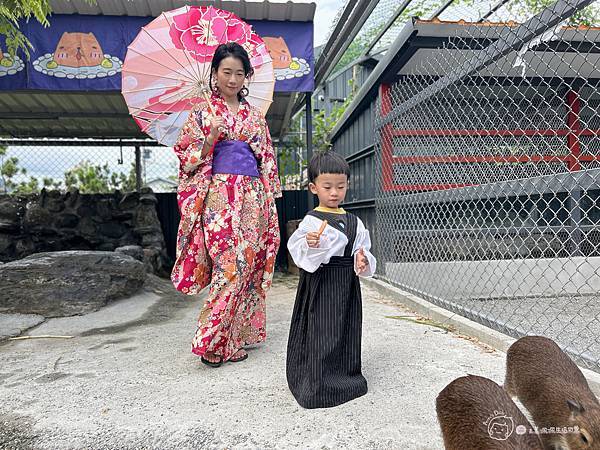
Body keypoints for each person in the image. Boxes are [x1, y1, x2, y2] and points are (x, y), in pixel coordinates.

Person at [171, 42, 281, 367]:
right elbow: (185, 158)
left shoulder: (256, 118)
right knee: (229, 264)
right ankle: (211, 340)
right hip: (219, 194)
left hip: (253, 196)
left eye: (238, 73)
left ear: (247, 76)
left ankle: (233, 338)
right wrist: (209, 140)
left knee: (247, 264)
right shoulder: (203, 114)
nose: (232, 79)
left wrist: (270, 204)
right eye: (226, 72)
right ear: (215, 74)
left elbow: (268, 161)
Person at [286, 150, 377, 408]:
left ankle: (347, 379)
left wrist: (362, 259)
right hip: (321, 285)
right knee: (320, 331)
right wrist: (310, 243)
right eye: (327, 187)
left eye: (340, 186)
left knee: (346, 330)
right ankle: (316, 385)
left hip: (346, 285)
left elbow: (363, 249)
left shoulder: (354, 221)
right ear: (314, 188)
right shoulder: (311, 221)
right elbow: (300, 251)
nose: (334, 193)